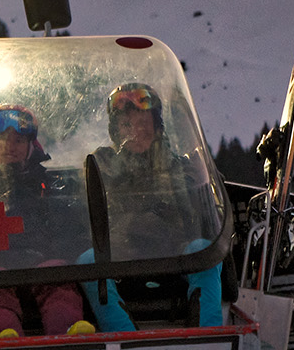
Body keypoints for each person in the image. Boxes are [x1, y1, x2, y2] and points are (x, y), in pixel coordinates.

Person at [0, 103, 94, 339]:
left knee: (58, 279)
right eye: (2, 139)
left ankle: (68, 332)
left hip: (38, 263)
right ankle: (3, 334)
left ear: (30, 146)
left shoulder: (46, 185)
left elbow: (68, 228)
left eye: (18, 141)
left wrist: (52, 254)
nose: (10, 147)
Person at [85, 82, 220, 257]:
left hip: (176, 259)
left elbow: (198, 221)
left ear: (157, 128)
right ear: (116, 132)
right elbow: (90, 222)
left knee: (204, 251)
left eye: (143, 122)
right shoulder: (102, 169)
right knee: (89, 258)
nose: (136, 131)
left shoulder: (182, 169)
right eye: (127, 125)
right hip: (120, 261)